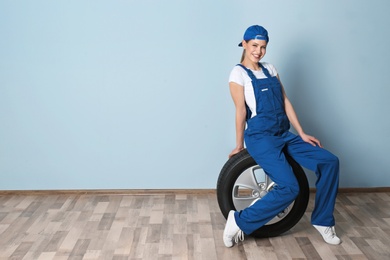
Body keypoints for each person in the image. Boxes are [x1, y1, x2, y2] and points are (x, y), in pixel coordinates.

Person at [223, 25, 341, 247]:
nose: (258, 51)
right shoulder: (237, 73)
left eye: (263, 47)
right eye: (255, 46)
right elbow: (240, 111)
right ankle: (239, 221)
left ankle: (323, 221)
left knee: (330, 162)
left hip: (282, 133)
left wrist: (302, 133)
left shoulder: (270, 68)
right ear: (245, 44)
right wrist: (239, 145)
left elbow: (285, 101)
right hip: (260, 137)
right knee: (290, 187)